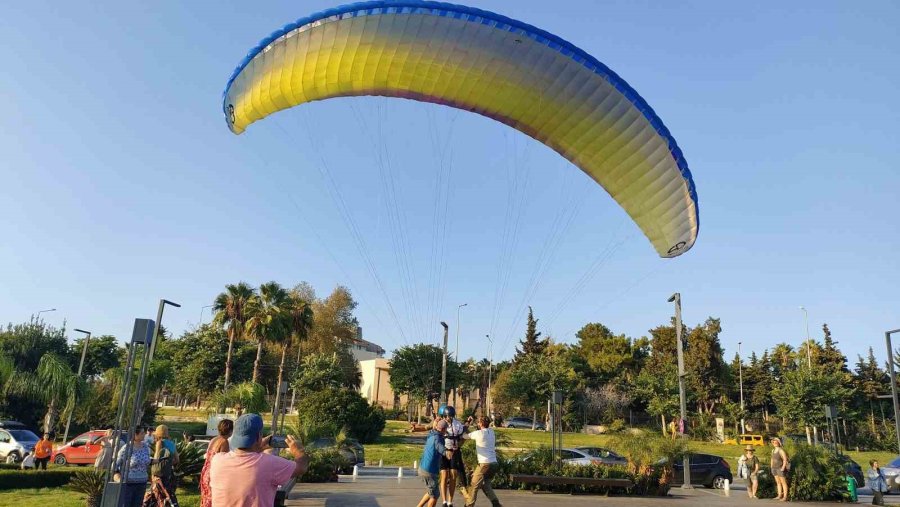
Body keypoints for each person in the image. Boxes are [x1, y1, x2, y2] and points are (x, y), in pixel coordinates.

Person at [209, 413, 308, 507]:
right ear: (258, 436)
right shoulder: (269, 463)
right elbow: (302, 467)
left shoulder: (217, 460)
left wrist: (258, 447)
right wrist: (298, 451)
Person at [460, 416, 502, 507]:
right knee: (485, 484)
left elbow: (463, 436)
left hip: (484, 464)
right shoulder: (491, 432)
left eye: (479, 422)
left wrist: (467, 424)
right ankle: (496, 504)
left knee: (474, 484)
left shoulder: (478, 434)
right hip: (494, 463)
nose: (478, 424)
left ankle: (469, 505)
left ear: (481, 424)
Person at [114, 426, 151, 507]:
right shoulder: (126, 448)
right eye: (142, 433)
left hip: (142, 483)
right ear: (135, 434)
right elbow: (116, 464)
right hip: (129, 484)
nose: (144, 434)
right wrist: (117, 477)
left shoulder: (145, 447)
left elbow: (148, 460)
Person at [200, 419, 233, 507]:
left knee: (206, 498)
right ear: (230, 431)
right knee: (213, 500)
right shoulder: (224, 442)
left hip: (206, 471)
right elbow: (223, 461)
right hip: (213, 473)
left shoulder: (214, 439)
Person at [417, 419, 450, 507]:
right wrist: (447, 452)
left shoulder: (432, 433)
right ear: (443, 429)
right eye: (446, 429)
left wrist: (435, 423)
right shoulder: (438, 438)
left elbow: (433, 428)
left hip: (423, 468)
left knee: (431, 492)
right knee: (435, 495)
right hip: (429, 471)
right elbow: (439, 446)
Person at [145, 424, 180, 507]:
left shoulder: (160, 442)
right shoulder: (172, 444)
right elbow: (177, 460)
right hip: (167, 472)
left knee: (157, 492)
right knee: (166, 491)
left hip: (158, 473)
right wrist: (168, 463)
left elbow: (157, 457)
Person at [440, 406, 466, 507]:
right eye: (447, 416)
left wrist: (458, 445)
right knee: (444, 475)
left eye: (451, 416)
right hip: (443, 451)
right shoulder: (441, 423)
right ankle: (444, 501)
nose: (449, 418)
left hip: (454, 451)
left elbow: (462, 437)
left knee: (453, 475)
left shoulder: (457, 424)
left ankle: (450, 501)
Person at [770, 438, 789, 502]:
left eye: (776, 442)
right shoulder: (773, 450)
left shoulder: (781, 450)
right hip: (774, 468)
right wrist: (771, 467)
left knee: (783, 482)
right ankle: (779, 495)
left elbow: (785, 459)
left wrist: (783, 467)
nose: (774, 443)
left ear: (779, 443)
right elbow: (772, 459)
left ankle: (785, 497)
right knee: (778, 482)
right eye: (773, 442)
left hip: (780, 468)